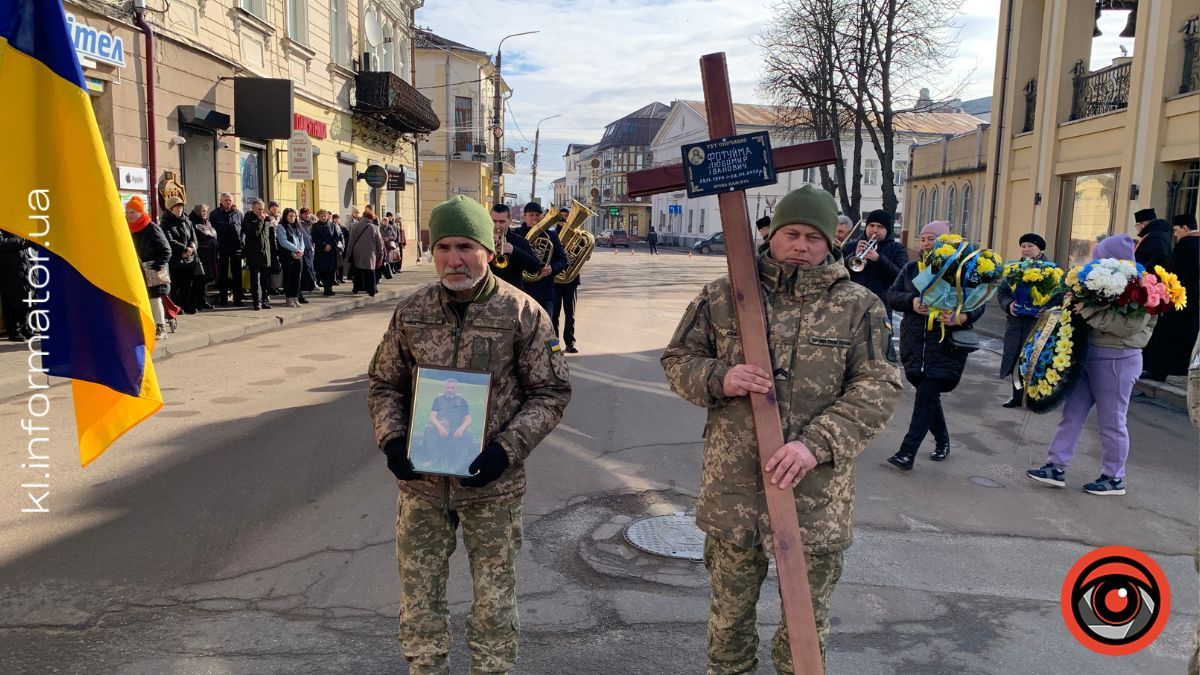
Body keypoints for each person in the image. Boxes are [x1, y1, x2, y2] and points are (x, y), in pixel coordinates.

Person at [661, 185, 900, 670]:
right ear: (771, 234)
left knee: (805, 631)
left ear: (831, 241)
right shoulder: (724, 295)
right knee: (728, 623)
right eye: (792, 233)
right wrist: (719, 377)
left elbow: (879, 388)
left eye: (814, 237)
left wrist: (817, 444)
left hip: (815, 497)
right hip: (734, 495)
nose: (802, 246)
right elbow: (678, 359)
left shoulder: (859, 306)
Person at [367, 195, 571, 675]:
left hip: (493, 488)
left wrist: (506, 450)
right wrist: (393, 440)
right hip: (421, 486)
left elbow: (551, 393)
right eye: (442, 247)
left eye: (465, 246)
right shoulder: (411, 311)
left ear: (488, 247)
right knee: (420, 597)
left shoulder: (522, 314)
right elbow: (384, 383)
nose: (453, 259)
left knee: (494, 599)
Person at [1027, 234, 1157, 496]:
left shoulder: (1141, 289)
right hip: (1088, 356)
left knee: (1111, 422)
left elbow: (1127, 327)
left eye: (1100, 256)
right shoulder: (1096, 284)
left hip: (1117, 360)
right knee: (1072, 414)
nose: (1094, 262)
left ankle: (1114, 477)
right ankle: (1056, 465)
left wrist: (1085, 310)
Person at [885, 220, 984, 469]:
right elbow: (892, 295)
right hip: (916, 342)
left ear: (945, 241)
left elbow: (979, 300)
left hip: (945, 343)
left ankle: (907, 452)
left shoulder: (962, 269)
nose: (926, 243)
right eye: (923, 238)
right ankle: (943, 440)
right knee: (926, 396)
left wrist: (963, 316)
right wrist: (913, 301)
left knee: (927, 393)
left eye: (932, 238)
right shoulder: (911, 269)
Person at [997, 232, 1054, 408]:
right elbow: (1002, 292)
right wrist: (1009, 305)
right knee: (1015, 358)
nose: (1026, 249)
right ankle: (1016, 395)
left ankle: (1034, 397)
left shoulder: (1051, 270)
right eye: (1023, 246)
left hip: (1037, 323)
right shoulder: (1013, 269)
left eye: (1030, 246)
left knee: (1034, 358)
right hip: (1016, 322)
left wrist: (1046, 308)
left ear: (1039, 249)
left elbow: (1057, 295)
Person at [1143, 213, 1199, 380]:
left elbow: (1176, 274)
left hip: (1178, 299)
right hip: (1194, 301)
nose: (1175, 235)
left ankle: (1159, 371)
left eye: (1176, 230)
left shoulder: (1186, 245)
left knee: (1168, 336)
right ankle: (1181, 369)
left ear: (1185, 228)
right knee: (1186, 337)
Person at [125, 196, 172, 338]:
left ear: (140, 213)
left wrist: (157, 266)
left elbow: (166, 250)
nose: (129, 215)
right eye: (127, 212)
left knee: (154, 298)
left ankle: (161, 327)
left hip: (152, 268)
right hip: (136, 269)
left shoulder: (151, 228)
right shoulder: (126, 228)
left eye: (133, 212)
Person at [842, 209, 908, 309]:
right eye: (871, 225)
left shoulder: (897, 248)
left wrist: (879, 259)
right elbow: (838, 271)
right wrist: (853, 255)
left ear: (887, 230)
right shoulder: (850, 246)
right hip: (852, 301)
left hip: (881, 303)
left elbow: (900, 277)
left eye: (880, 227)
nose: (875, 230)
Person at [511, 202, 566, 317]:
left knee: (545, 329)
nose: (534, 218)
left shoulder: (550, 236)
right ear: (524, 217)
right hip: (522, 290)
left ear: (542, 217)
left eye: (537, 215)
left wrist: (552, 268)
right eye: (531, 215)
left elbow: (562, 260)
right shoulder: (516, 235)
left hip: (545, 291)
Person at [419, 378, 479, 473]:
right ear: (444, 388)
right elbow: (432, 416)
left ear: (457, 389)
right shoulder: (438, 399)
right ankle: (434, 459)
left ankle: (457, 464)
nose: (450, 390)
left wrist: (462, 429)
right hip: (442, 426)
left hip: (456, 428)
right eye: (448, 387)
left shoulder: (462, 400)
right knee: (430, 428)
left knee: (468, 433)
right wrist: (440, 427)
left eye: (452, 388)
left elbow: (468, 418)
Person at [161, 196, 199, 314]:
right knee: (177, 285)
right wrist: (183, 249)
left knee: (188, 284)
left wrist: (192, 248)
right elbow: (168, 240)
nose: (179, 210)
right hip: (176, 259)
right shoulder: (166, 222)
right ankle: (177, 307)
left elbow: (193, 237)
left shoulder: (187, 220)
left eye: (181, 207)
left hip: (189, 257)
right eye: (176, 207)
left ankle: (187, 305)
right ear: (170, 209)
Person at [489, 204, 540, 290]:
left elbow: (534, 267)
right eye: (494, 221)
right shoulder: (482, 239)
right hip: (488, 292)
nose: (497, 226)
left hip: (513, 292)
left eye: (502, 222)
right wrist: (487, 247)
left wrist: (514, 250)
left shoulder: (519, 241)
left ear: (509, 220)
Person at [552, 209, 581, 354]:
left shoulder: (576, 235)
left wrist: (575, 248)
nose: (563, 219)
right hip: (556, 280)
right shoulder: (552, 235)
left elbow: (585, 257)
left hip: (571, 279)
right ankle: (555, 343)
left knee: (570, 313)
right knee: (554, 314)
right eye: (561, 216)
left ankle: (570, 342)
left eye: (566, 216)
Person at [210, 192, 244, 306]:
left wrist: (242, 243)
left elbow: (242, 230)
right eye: (226, 200)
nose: (228, 202)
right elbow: (212, 232)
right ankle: (223, 299)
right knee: (222, 275)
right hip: (222, 248)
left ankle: (238, 300)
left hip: (236, 248)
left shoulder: (238, 214)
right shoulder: (215, 214)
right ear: (221, 200)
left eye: (230, 200)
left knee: (237, 275)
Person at [0, 228, 32, 341]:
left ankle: (25, 327)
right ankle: (14, 330)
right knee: (11, 297)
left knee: (25, 294)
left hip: (21, 263)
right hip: (8, 266)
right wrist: (23, 242)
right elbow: (1, 243)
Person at [242, 199, 273, 311]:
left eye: (262, 209)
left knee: (265, 280)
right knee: (256, 280)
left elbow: (267, 237)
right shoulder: (248, 218)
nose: (261, 211)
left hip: (265, 254)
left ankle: (264, 300)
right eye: (259, 209)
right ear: (253, 208)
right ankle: (257, 302)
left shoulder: (266, 219)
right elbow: (254, 233)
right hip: (254, 254)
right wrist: (260, 221)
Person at [348, 208, 384, 297]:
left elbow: (351, 241)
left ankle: (356, 288)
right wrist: (381, 252)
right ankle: (371, 290)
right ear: (371, 217)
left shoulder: (355, 226)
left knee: (358, 271)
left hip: (357, 252)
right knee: (370, 272)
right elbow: (379, 242)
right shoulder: (374, 227)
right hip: (370, 253)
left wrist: (349, 253)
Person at [276, 208, 308, 308]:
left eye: (294, 216)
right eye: (290, 216)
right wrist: (296, 250)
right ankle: (288, 299)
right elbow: (283, 241)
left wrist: (301, 250)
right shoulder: (281, 226)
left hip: (298, 256)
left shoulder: (297, 226)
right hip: (287, 256)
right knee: (288, 278)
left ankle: (295, 298)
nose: (293, 218)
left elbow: (301, 240)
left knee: (297, 278)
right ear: (286, 216)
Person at [189, 204, 218, 311]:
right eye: (202, 211)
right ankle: (196, 302)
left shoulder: (207, 222)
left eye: (206, 211)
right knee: (198, 280)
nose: (205, 213)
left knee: (205, 280)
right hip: (200, 256)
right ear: (197, 212)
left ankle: (203, 300)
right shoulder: (193, 222)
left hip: (210, 256)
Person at [311, 209, 341, 296]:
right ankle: (326, 289)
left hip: (331, 252)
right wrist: (324, 245)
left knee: (331, 271)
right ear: (318, 217)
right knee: (323, 271)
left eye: (325, 215)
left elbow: (336, 237)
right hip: (321, 251)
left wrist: (331, 245)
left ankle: (329, 288)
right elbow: (314, 238)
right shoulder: (315, 226)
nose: (324, 217)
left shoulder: (333, 225)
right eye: (321, 216)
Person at [331, 213, 348, 284]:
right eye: (336, 219)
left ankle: (340, 278)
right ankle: (336, 278)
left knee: (341, 264)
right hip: (335, 248)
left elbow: (343, 238)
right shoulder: (332, 226)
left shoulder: (342, 227)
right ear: (333, 219)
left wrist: (343, 246)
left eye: (338, 218)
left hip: (340, 248)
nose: (337, 220)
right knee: (336, 265)